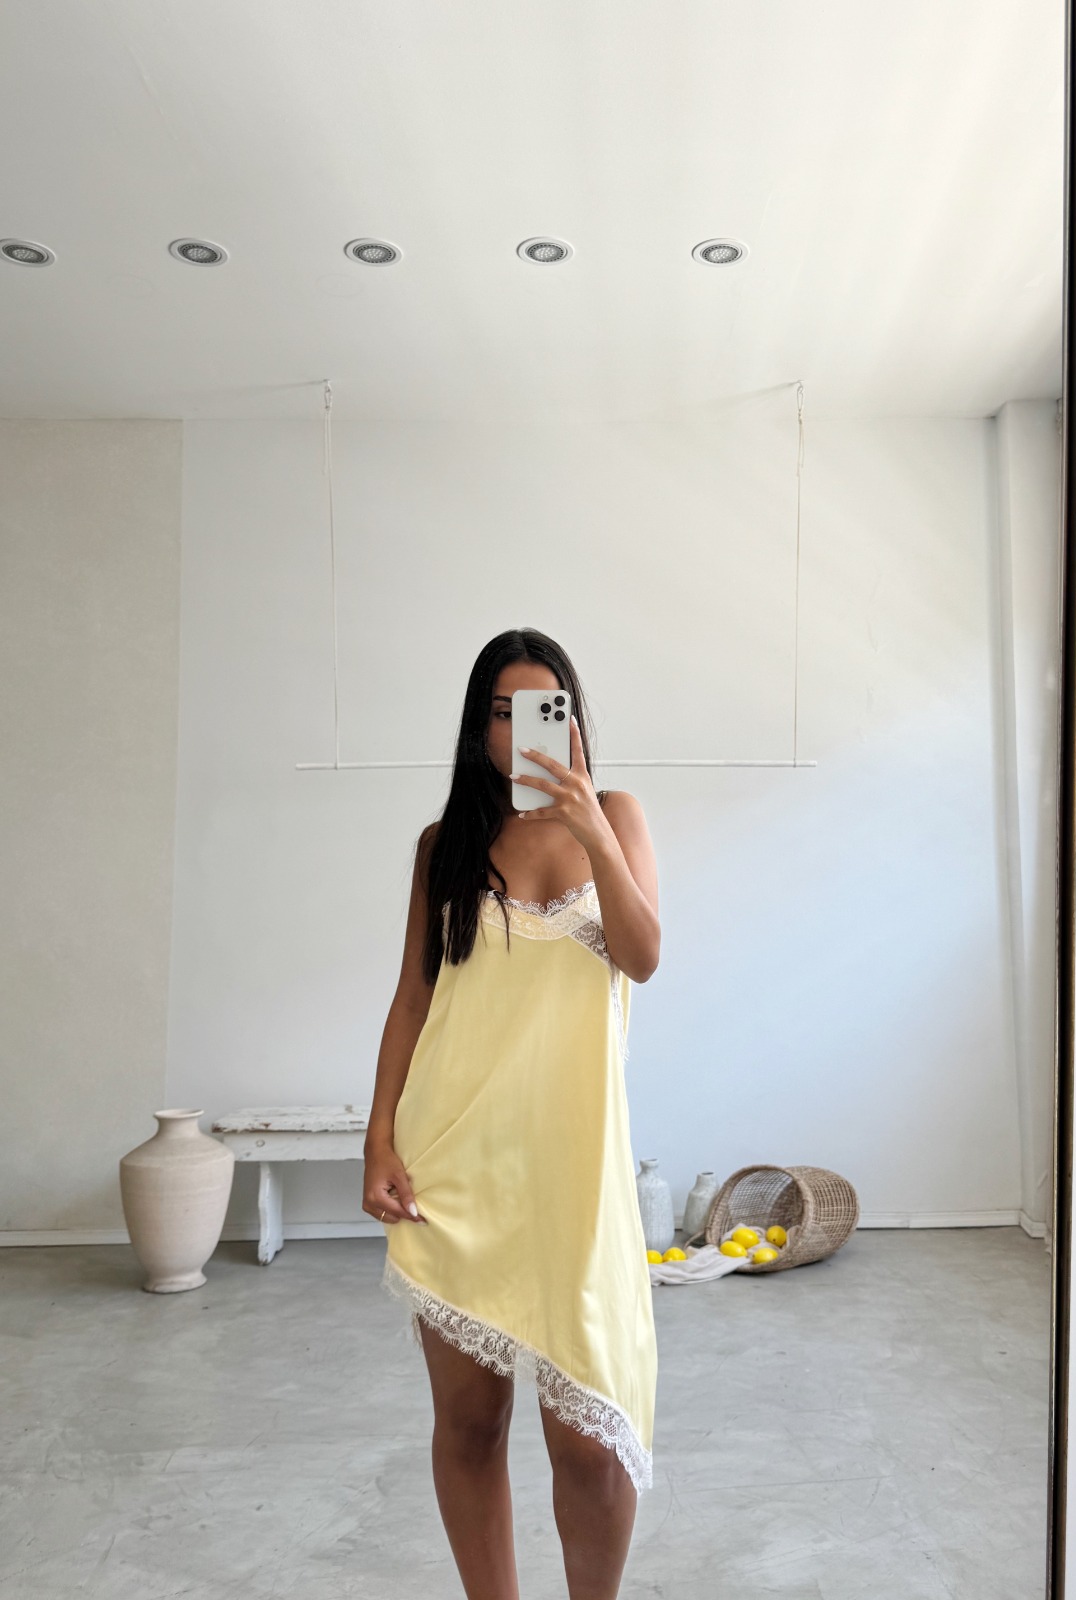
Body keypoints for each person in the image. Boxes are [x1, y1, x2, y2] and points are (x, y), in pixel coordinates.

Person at [362, 627, 661, 1600]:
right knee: (469, 1424)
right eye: (501, 712)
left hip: (574, 1176)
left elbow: (644, 954)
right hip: (456, 1165)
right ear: (477, 726)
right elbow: (414, 1000)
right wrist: (379, 1138)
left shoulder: (616, 815)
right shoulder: (443, 847)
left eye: (541, 708)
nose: (518, 729)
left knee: (589, 1446)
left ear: (571, 719)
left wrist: (589, 828)